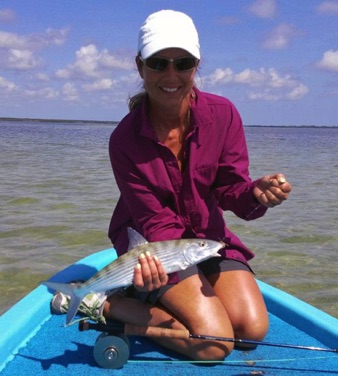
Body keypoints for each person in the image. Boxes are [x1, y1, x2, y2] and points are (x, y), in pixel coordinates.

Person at [104, 9, 292, 361]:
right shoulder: (123, 140)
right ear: (139, 66)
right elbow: (154, 221)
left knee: (251, 331)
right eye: (158, 63)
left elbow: (229, 187)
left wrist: (254, 193)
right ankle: (112, 304)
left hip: (205, 240)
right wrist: (176, 265)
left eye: (183, 62)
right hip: (152, 242)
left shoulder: (224, 114)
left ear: (197, 65)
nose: (171, 74)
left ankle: (154, 299)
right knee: (213, 345)